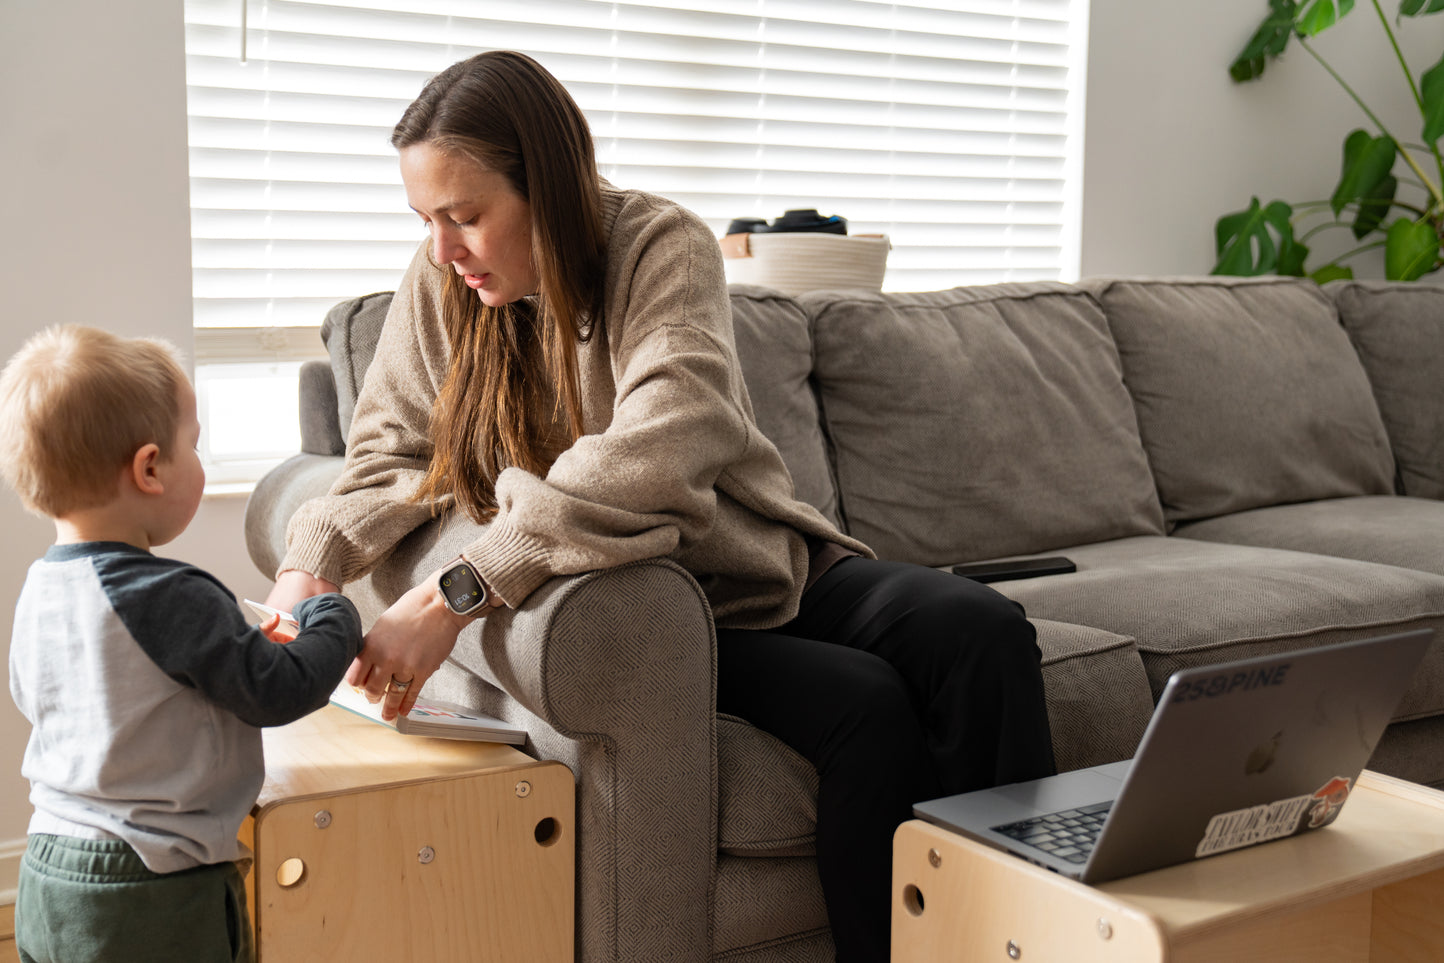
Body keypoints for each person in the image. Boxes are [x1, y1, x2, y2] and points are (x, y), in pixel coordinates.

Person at [265, 50, 1054, 962]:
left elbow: (666, 440)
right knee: (867, 706)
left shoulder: (659, 246)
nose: (443, 248)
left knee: (982, 630)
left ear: (548, 189)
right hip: (657, 611)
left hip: (762, 565)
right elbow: (390, 453)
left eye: (466, 216)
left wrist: (458, 591)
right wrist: (306, 567)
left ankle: (1022, 940)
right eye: (427, 220)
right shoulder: (442, 287)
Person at [1, 325, 364, 963]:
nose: (199, 460)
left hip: (48, 865)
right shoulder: (170, 594)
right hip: (150, 885)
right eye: (193, 446)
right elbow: (278, 690)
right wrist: (331, 613)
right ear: (149, 468)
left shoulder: (41, 589)